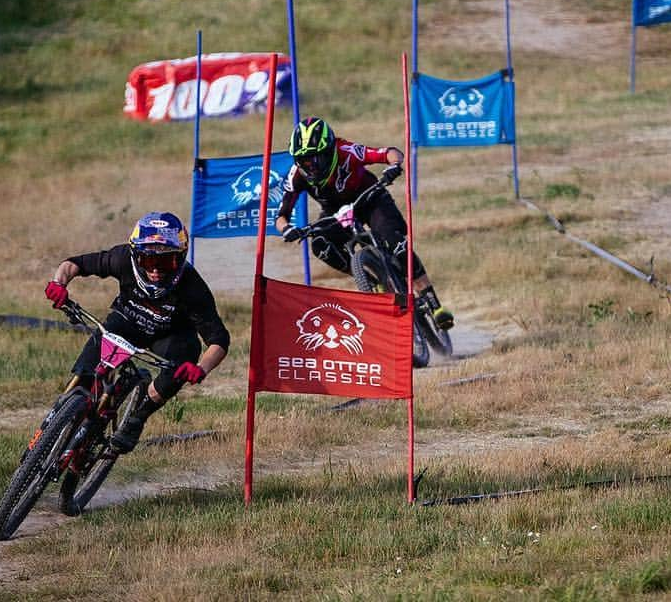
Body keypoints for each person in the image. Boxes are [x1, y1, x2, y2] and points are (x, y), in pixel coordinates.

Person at [43, 211, 229, 453]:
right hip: (127, 320)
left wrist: (201, 369)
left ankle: (137, 419)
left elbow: (219, 340)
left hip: (171, 335)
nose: (155, 270)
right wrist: (59, 284)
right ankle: (61, 415)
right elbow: (73, 264)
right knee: (85, 374)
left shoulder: (192, 287)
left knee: (181, 364)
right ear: (134, 255)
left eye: (166, 262)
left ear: (181, 258)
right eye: (147, 260)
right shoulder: (121, 258)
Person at [275, 117, 455, 330]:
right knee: (319, 244)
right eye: (304, 160)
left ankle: (434, 304)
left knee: (395, 242)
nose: (310, 166)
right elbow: (281, 216)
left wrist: (394, 166)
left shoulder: (346, 151)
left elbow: (388, 152)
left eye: (316, 159)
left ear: (330, 150)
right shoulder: (295, 176)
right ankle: (368, 277)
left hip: (370, 198)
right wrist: (287, 230)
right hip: (335, 213)